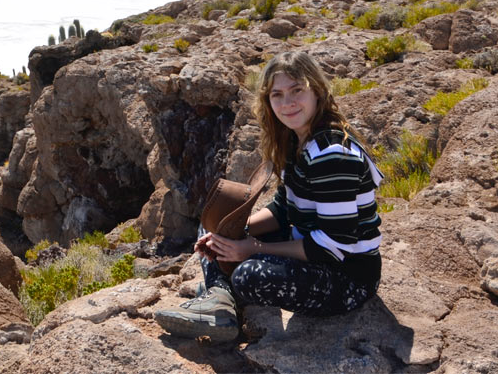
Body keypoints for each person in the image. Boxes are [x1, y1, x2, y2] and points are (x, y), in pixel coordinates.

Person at [155, 50, 383, 342]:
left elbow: (333, 245)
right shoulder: (295, 140)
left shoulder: (331, 155)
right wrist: (235, 231)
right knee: (215, 226)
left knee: (249, 275)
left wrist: (252, 248)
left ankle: (223, 296)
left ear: (317, 91)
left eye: (297, 90)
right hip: (310, 250)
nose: (287, 103)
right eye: (277, 94)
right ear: (267, 100)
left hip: (348, 276)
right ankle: (220, 301)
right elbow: (285, 209)